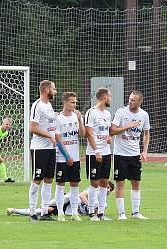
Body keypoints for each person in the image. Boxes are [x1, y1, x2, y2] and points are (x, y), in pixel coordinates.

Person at [110, 90, 150, 220]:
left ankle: (136, 212)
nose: (130, 101)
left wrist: (144, 151)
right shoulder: (121, 112)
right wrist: (127, 126)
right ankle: (121, 213)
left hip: (135, 155)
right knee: (120, 183)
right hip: (120, 154)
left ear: (139, 102)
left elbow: (146, 133)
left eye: (133, 100)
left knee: (136, 183)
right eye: (129, 98)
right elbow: (112, 130)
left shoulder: (144, 115)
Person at [28, 80, 63, 222]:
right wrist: (50, 136)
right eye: (54, 89)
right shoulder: (37, 105)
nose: (56, 91)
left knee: (49, 179)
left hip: (50, 148)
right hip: (39, 148)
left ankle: (44, 212)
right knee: (37, 179)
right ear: (47, 89)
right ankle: (32, 212)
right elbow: (33, 127)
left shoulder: (49, 105)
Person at [54, 92, 85, 221]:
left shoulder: (76, 117)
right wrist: (67, 157)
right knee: (60, 184)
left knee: (74, 185)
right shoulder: (58, 118)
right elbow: (58, 140)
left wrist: (79, 119)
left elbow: (83, 134)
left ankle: (74, 213)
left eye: (75, 102)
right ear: (65, 103)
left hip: (75, 157)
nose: (75, 104)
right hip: (62, 158)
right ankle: (60, 213)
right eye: (72, 102)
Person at [6, 182, 115, 220]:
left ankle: (14, 210)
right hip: (68, 200)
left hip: (68, 210)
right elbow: (81, 195)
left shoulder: (103, 204)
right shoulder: (94, 191)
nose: (108, 190)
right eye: (108, 187)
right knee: (48, 207)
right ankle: (47, 204)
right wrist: (90, 206)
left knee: (46, 210)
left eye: (111, 189)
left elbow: (98, 213)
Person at [84, 88, 114, 221]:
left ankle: (101, 212)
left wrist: (109, 138)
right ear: (104, 97)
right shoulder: (91, 112)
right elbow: (89, 133)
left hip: (107, 152)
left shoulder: (107, 114)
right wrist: (96, 150)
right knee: (94, 182)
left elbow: (107, 132)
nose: (111, 99)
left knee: (104, 182)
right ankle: (91, 212)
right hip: (94, 153)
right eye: (110, 97)